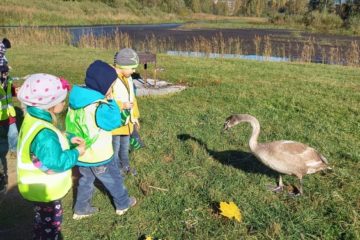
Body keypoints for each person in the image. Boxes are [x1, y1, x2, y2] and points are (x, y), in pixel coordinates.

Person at [16, 73, 86, 239]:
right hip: (45, 191)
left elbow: (45, 146)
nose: (64, 103)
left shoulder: (32, 119)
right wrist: (77, 152)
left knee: (41, 221)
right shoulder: (44, 134)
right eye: (62, 100)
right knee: (51, 226)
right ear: (50, 106)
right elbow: (56, 162)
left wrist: (66, 137)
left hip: (35, 189)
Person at [65, 60, 136, 220]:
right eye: (111, 86)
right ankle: (123, 203)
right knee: (114, 179)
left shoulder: (77, 100)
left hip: (82, 154)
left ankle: (81, 209)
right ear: (103, 86)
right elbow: (113, 122)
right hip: (100, 155)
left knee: (85, 181)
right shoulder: (99, 105)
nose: (112, 89)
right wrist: (111, 102)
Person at [112, 48, 142, 176]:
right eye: (132, 68)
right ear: (122, 66)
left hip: (127, 122)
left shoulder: (128, 77)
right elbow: (106, 100)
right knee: (115, 148)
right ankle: (116, 169)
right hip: (116, 123)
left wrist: (135, 117)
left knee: (125, 147)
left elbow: (132, 98)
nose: (134, 71)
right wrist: (121, 105)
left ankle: (126, 165)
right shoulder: (111, 79)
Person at [0, 64, 18, 193]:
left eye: (6, 72)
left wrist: (16, 91)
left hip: (10, 114)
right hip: (1, 116)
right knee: (3, 137)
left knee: (13, 134)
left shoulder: (9, 81)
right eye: (3, 73)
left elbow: (12, 93)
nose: (6, 74)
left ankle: (13, 150)